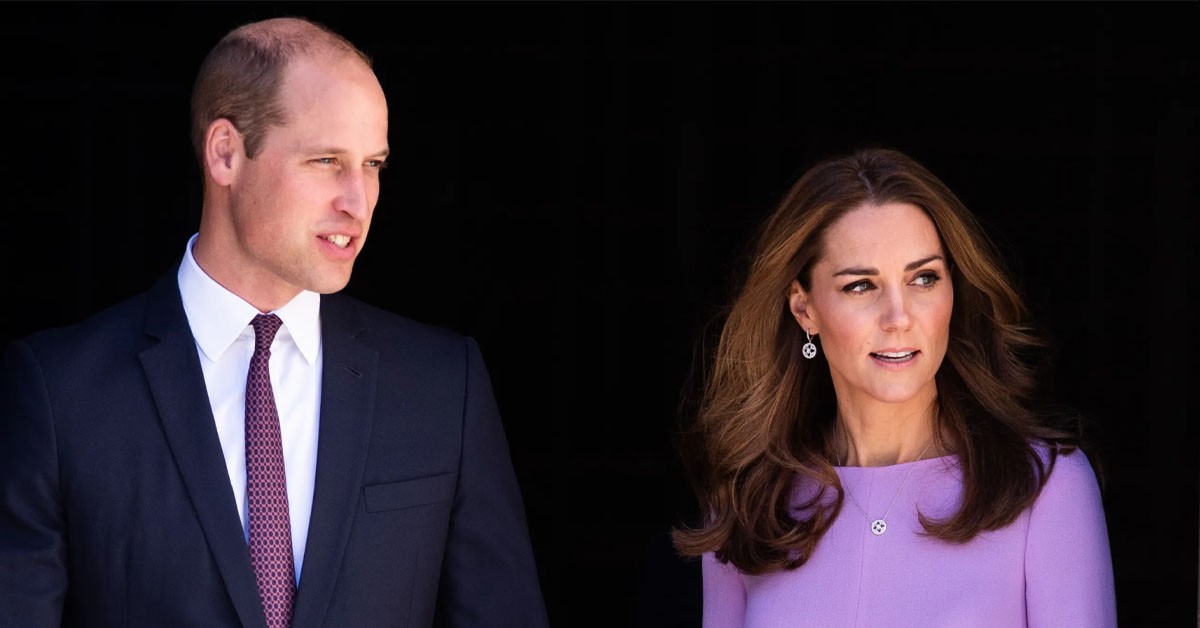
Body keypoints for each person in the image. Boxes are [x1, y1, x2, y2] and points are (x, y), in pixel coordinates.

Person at [0, 17, 549, 628]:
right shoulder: (61, 394)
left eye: (373, 165)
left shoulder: (444, 387)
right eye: (325, 160)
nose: (358, 200)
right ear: (226, 153)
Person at [673, 148, 1116, 627]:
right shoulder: (748, 503)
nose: (899, 318)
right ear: (805, 310)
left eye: (924, 278)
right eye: (861, 286)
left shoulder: (1044, 485)